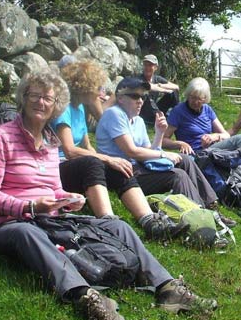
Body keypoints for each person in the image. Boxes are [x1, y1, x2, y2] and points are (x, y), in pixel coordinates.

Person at [0, 69, 217, 320]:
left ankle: (166, 287)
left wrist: (67, 200)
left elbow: (54, 188)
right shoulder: (0, 137)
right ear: (23, 97)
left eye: (48, 98)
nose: (41, 103)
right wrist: (29, 208)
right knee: (27, 232)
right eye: (35, 96)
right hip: (9, 222)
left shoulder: (50, 140)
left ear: (56, 105)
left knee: (118, 226)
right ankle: (86, 297)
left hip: (49, 216)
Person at [53, 59, 180, 237]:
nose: (100, 93)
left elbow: (87, 145)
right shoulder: (63, 109)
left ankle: (150, 221)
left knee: (119, 167)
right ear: (83, 86)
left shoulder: (79, 109)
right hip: (57, 167)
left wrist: (111, 162)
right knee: (95, 162)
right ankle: (108, 221)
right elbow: (69, 150)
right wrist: (106, 158)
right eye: (97, 87)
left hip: (75, 164)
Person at [95, 77, 235, 224]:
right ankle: (200, 217)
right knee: (178, 175)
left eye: (143, 96)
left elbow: (149, 152)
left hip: (139, 168)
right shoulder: (114, 114)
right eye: (135, 96)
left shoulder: (138, 120)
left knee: (185, 160)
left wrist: (159, 133)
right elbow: (132, 152)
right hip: (121, 173)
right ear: (120, 98)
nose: (140, 101)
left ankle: (212, 207)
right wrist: (163, 153)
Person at [162, 77, 241, 182]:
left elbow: (225, 135)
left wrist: (215, 136)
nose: (195, 101)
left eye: (199, 98)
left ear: (205, 98)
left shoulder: (207, 110)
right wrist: (180, 144)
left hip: (211, 148)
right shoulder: (178, 111)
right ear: (188, 95)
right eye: (192, 97)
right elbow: (163, 141)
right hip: (197, 153)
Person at [138, 54, 180, 126]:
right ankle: (157, 118)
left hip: (154, 108)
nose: (147, 67)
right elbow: (148, 86)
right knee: (147, 95)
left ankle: (178, 116)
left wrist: (160, 85)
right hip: (143, 112)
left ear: (155, 67)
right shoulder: (138, 79)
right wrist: (163, 90)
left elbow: (176, 87)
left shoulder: (157, 79)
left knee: (173, 92)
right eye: (145, 65)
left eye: (150, 65)